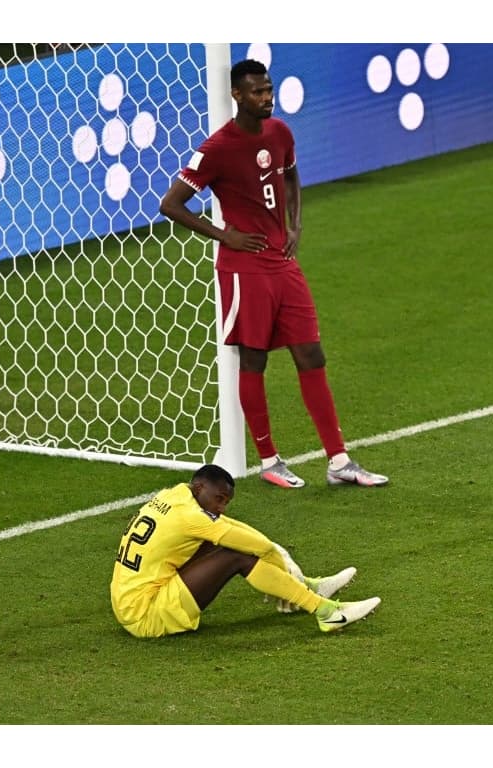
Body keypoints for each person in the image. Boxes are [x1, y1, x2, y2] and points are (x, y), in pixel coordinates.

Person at [159, 58, 387, 489]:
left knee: (311, 355)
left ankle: (339, 461)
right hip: (244, 268)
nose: (267, 97)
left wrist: (295, 224)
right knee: (255, 359)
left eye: (269, 89)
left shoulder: (281, 132)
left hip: (282, 263)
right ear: (237, 96)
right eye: (257, 92)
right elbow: (170, 204)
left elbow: (290, 175)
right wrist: (223, 236)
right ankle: (269, 460)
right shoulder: (216, 148)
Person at [110, 463, 381, 638]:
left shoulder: (173, 496)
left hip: (129, 602)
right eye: (219, 499)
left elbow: (229, 526)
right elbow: (257, 547)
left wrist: (281, 562)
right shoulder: (192, 517)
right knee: (236, 555)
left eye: (226, 502)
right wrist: (279, 557)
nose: (221, 507)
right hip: (147, 615)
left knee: (221, 543)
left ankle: (307, 588)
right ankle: (325, 611)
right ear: (200, 487)